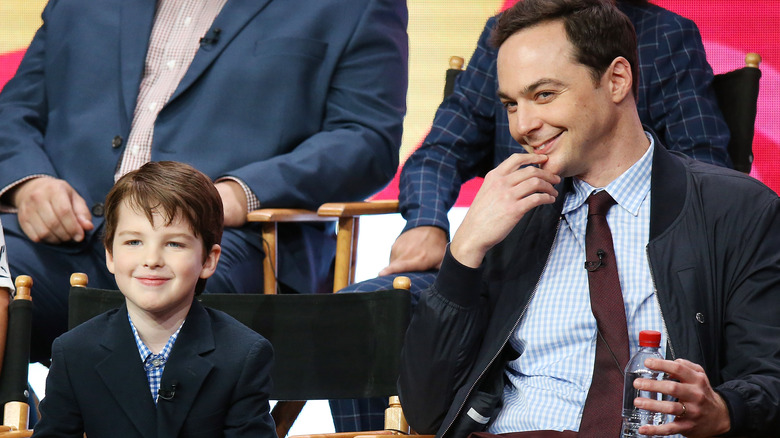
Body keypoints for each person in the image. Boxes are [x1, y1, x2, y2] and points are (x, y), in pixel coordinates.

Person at [332, 0, 731, 431]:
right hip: (510, 267)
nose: (524, 124)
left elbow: (703, 166)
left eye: (544, 95)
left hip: (628, 252)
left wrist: (612, 206)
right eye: (510, 105)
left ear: (618, 78)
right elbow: (439, 152)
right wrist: (427, 223)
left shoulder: (667, 34)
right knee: (361, 314)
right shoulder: (507, 38)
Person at [0, 0, 408, 363]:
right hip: (66, 235)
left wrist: (239, 194)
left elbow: (366, 138)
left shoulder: (358, 5)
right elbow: (16, 109)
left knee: (168, 295)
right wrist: (29, 182)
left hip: (229, 241)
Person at [32, 161, 276, 438]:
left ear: (208, 260)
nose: (151, 260)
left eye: (174, 244)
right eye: (134, 242)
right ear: (110, 255)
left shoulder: (243, 354)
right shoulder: (73, 352)